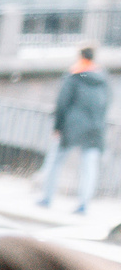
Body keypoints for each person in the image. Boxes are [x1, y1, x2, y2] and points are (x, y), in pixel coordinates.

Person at [40, 47, 109, 214]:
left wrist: (58, 127)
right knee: (89, 167)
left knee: (55, 162)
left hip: (72, 127)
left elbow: (62, 103)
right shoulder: (102, 78)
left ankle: (47, 197)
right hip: (95, 128)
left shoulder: (74, 76)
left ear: (80, 56)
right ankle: (84, 203)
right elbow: (107, 103)